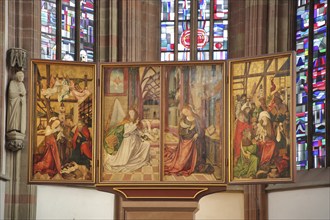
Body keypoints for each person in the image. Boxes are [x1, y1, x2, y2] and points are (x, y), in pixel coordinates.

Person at [104, 108, 150, 173]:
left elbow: (137, 132)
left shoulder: (135, 122)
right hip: (129, 142)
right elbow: (127, 132)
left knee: (147, 144)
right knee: (140, 147)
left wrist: (142, 135)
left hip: (136, 141)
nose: (132, 115)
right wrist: (135, 125)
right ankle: (136, 160)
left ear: (135, 114)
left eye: (133, 113)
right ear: (128, 114)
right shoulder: (126, 122)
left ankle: (144, 159)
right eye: (130, 113)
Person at [164, 105, 200, 176]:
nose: (186, 113)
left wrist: (197, 134)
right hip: (184, 141)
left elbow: (199, 130)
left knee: (189, 157)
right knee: (182, 158)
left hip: (192, 142)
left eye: (187, 111)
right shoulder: (183, 120)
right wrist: (188, 129)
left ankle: (186, 166)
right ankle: (181, 166)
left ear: (190, 110)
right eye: (184, 113)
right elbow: (180, 131)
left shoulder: (196, 119)